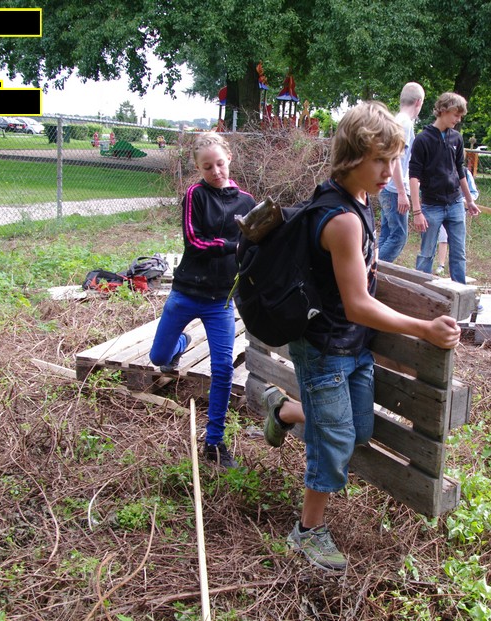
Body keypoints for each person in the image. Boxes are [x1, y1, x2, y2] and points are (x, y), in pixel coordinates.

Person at [260, 101, 461, 571]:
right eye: (380, 160)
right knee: (334, 443)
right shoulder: (342, 218)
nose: (390, 171)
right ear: (351, 157)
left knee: (359, 430)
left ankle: (284, 410)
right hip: (324, 348)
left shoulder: (360, 200)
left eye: (393, 160)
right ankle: (307, 532)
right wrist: (423, 328)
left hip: (353, 345)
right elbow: (357, 304)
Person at [149, 132, 255, 469]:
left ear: (230, 159)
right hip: (185, 293)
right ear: (198, 168)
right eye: (207, 167)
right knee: (158, 357)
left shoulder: (247, 202)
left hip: (220, 301)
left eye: (220, 164)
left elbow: (255, 244)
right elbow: (194, 241)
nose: (216, 171)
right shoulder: (195, 195)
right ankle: (181, 344)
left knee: (222, 369)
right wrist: (233, 246)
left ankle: (214, 443)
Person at [409, 92, 481, 284]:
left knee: (458, 253)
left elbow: (460, 171)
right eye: (456, 115)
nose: (458, 120)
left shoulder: (456, 138)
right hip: (432, 206)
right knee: (427, 253)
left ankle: (460, 292)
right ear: (443, 110)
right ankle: (421, 292)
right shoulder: (423, 139)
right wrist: (417, 212)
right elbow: (414, 176)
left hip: (455, 203)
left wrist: (469, 200)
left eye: (460, 116)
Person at [377, 82, 425, 263]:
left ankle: (372, 270)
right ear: (418, 102)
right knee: (399, 237)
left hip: (386, 187)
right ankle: (370, 273)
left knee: (387, 234)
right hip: (393, 189)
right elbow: (395, 158)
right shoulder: (405, 123)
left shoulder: (396, 120)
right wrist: (402, 193)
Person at [436, 167, 478, 276]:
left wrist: (463, 200)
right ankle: (441, 265)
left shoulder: (465, 172)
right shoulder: (441, 168)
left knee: (457, 242)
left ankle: (457, 273)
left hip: (458, 210)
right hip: (441, 206)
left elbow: (474, 192)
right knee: (443, 237)